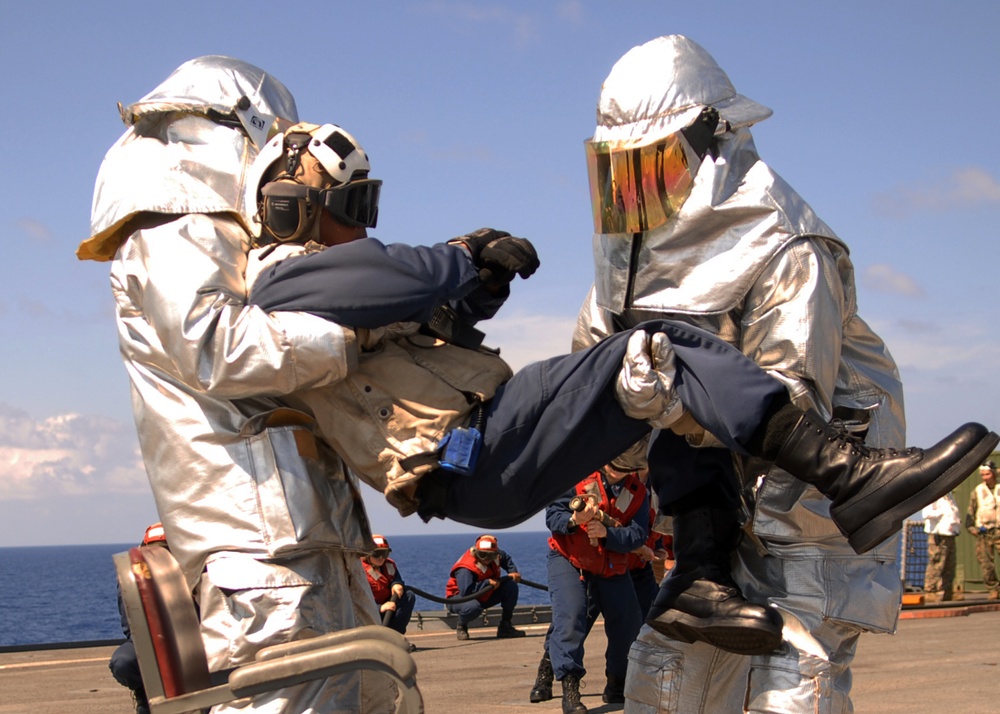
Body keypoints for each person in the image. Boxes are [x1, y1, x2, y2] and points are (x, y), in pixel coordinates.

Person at [244, 118, 997, 587]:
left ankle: (703, 573)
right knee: (655, 350)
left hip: (484, 441)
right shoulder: (281, 282)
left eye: (366, 205)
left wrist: (483, 282)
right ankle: (846, 472)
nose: (363, 223)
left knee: (664, 383)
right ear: (289, 209)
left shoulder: (340, 287)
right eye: (351, 206)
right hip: (466, 451)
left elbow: (429, 316)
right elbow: (404, 277)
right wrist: (460, 255)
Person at [564, 35, 988, 712]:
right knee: (661, 677)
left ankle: (863, 477)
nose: (644, 187)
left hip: (805, 521)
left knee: (793, 686)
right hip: (711, 531)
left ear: (712, 146)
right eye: (629, 167)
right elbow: (609, 434)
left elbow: (785, 408)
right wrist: (614, 412)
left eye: (657, 163)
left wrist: (657, 406)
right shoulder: (622, 268)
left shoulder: (789, 247)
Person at [78, 57, 395, 713]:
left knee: (363, 695)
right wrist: (355, 335)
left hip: (300, 540)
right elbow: (217, 347)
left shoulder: (220, 235)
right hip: (256, 545)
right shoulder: (176, 222)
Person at [530, 462, 649, 713]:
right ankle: (568, 688)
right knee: (571, 616)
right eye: (616, 461)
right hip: (570, 559)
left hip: (610, 563)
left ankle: (617, 683)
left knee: (628, 621)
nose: (619, 468)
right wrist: (574, 520)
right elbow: (553, 516)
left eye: (627, 464)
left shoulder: (638, 492)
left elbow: (638, 536)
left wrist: (608, 535)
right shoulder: (576, 477)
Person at [109, 523, 168, 714]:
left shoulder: (195, 572)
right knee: (124, 662)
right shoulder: (132, 581)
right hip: (150, 640)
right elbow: (131, 628)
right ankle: (143, 691)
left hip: (196, 639)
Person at [444, 535, 526, 640]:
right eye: (482, 555)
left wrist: (513, 571)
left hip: (485, 594)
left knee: (511, 586)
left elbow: (505, 558)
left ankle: (506, 626)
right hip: (460, 598)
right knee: (473, 607)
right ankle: (461, 626)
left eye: (490, 556)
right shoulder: (466, 567)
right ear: (476, 552)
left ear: (495, 554)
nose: (486, 559)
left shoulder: (498, 555)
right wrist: (487, 583)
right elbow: (466, 591)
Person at [361, 534, 417, 637]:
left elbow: (396, 578)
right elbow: (357, 599)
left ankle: (396, 636)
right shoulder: (358, 571)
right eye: (377, 554)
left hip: (389, 607)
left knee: (409, 596)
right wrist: (379, 608)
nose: (381, 558)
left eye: (384, 553)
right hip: (368, 613)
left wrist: (396, 584)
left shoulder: (389, 565)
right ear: (367, 554)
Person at [965, 461, 1000, 600]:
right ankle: (993, 589)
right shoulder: (977, 491)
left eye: (988, 474)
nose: (985, 477)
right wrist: (972, 528)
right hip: (984, 532)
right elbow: (970, 512)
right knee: (986, 563)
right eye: (983, 475)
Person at [921, 494, 963, 603]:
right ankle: (930, 591)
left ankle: (947, 591)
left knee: (950, 564)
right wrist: (942, 513)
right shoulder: (935, 496)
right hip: (938, 535)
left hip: (950, 534)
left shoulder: (949, 497)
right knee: (936, 564)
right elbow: (926, 513)